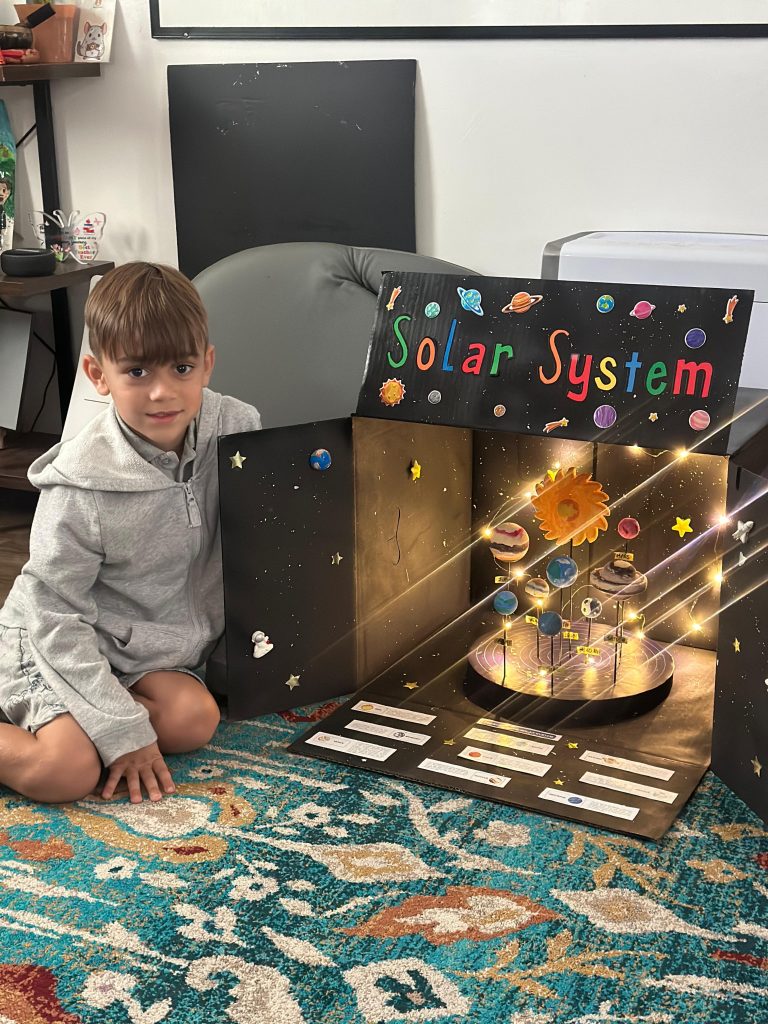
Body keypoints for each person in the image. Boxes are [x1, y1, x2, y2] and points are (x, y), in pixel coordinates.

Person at [0, 262, 261, 804]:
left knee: (193, 720)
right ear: (99, 375)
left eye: (182, 368)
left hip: (139, 645)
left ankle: (87, 717)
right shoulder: (80, 484)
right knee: (64, 771)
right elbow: (53, 616)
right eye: (137, 372)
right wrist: (120, 732)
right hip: (53, 638)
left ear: (207, 364)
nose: (163, 392)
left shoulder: (239, 431)